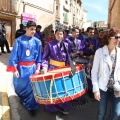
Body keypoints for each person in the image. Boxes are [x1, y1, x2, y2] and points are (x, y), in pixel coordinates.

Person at [6, 21, 42, 117]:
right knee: (18, 88)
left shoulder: (37, 42)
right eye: (31, 29)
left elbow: (39, 58)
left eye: (34, 29)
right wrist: (15, 69)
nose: (33, 31)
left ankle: (31, 107)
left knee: (31, 90)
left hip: (32, 69)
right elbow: (13, 56)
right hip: (21, 69)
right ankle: (24, 100)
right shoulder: (19, 41)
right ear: (26, 28)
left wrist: (38, 68)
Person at [91, 28, 120, 120]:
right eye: (116, 37)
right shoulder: (99, 52)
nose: (118, 39)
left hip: (116, 87)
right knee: (101, 113)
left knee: (116, 114)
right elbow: (94, 72)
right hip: (103, 88)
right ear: (108, 39)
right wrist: (96, 90)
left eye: (119, 37)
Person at [41, 29, 71, 115]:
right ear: (55, 35)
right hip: (53, 69)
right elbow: (45, 57)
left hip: (63, 69)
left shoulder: (66, 44)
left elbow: (68, 58)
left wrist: (70, 67)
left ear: (63, 35)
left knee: (63, 88)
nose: (59, 36)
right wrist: (45, 67)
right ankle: (52, 108)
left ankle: (64, 107)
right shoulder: (50, 44)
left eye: (61, 34)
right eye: (58, 34)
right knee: (53, 89)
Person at [81, 27, 100, 98]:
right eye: (90, 32)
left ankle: (94, 89)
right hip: (87, 60)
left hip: (95, 60)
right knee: (88, 75)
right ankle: (89, 90)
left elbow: (98, 51)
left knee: (94, 75)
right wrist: (87, 49)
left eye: (93, 32)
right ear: (87, 32)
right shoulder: (84, 41)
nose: (92, 34)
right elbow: (81, 50)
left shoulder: (96, 41)